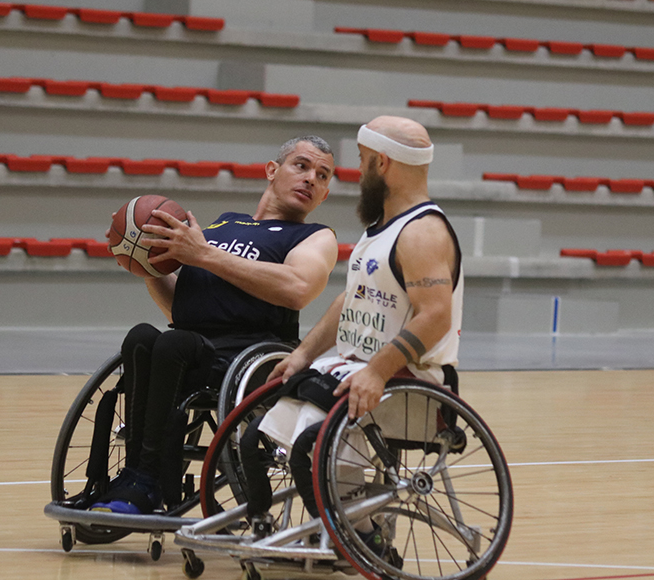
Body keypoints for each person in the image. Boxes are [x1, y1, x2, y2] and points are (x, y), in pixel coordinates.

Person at [88, 135, 338, 515]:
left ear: (324, 194)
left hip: (252, 356)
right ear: (272, 171)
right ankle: (129, 477)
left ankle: (148, 480)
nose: (310, 179)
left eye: (322, 175)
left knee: (176, 344)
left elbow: (298, 289)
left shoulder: (314, 237)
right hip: (192, 346)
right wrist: (145, 260)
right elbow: (181, 309)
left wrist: (203, 254)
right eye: (301, 166)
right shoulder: (223, 224)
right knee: (142, 337)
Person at [240, 115, 463, 540]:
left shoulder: (423, 232)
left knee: (309, 447)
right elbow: (349, 302)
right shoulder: (380, 231)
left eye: (362, 162)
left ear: (382, 163)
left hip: (408, 382)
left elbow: (435, 316)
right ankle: (267, 528)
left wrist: (377, 370)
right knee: (254, 439)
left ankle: (361, 540)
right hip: (353, 372)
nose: (358, 174)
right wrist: (302, 355)